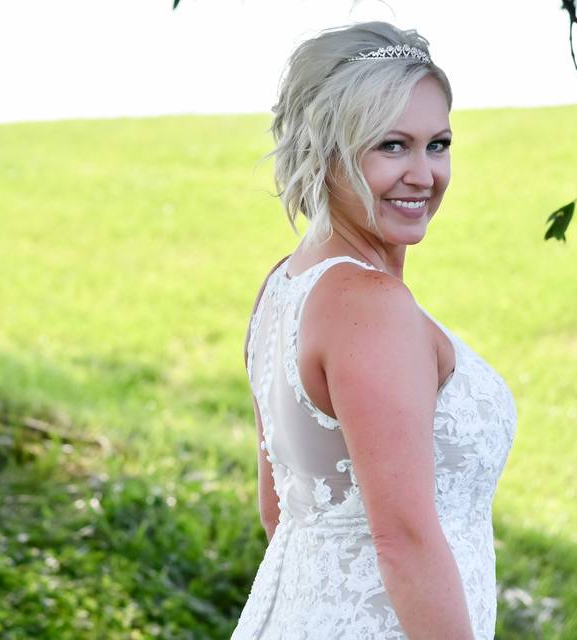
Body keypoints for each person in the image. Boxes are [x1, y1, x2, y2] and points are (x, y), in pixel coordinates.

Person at [232, 21, 517, 639]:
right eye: (391, 146)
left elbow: (279, 509)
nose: (424, 174)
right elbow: (407, 543)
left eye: (437, 144)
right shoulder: (373, 306)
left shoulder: (285, 285)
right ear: (327, 151)